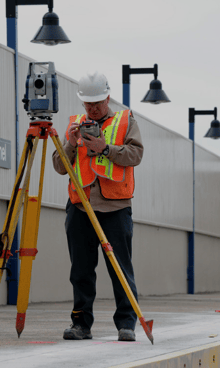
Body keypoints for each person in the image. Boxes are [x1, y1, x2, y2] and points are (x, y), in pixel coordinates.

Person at [52, 72, 144, 341]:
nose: (92, 109)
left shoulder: (126, 121)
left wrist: (106, 149)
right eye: (87, 105)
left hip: (115, 207)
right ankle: (81, 324)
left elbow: (136, 155)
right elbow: (59, 166)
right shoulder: (76, 125)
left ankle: (126, 324)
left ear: (107, 97)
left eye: (96, 104)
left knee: (120, 269)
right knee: (80, 270)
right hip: (80, 207)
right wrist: (70, 143)